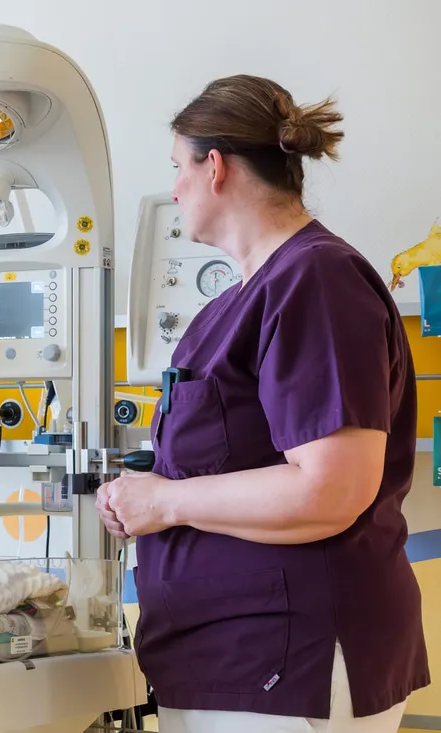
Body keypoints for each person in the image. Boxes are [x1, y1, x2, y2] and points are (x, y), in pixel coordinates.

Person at [96, 75, 429, 732]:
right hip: (235, 655)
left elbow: (332, 489)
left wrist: (163, 501)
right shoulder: (240, 301)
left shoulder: (317, 279)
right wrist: (148, 498)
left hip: (292, 658)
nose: (174, 189)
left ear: (214, 166)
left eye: (177, 167)